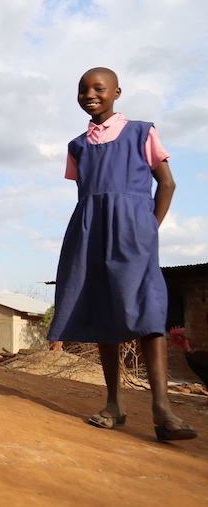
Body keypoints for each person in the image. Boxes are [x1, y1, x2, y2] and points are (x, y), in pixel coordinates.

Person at [48, 67, 195, 442]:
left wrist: (149, 228)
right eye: (82, 89)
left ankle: (162, 407)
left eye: (99, 88)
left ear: (117, 92)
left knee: (148, 310)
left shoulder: (141, 131)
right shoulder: (77, 146)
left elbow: (167, 183)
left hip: (134, 231)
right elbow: (89, 194)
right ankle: (114, 402)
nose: (90, 94)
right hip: (89, 232)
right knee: (103, 309)